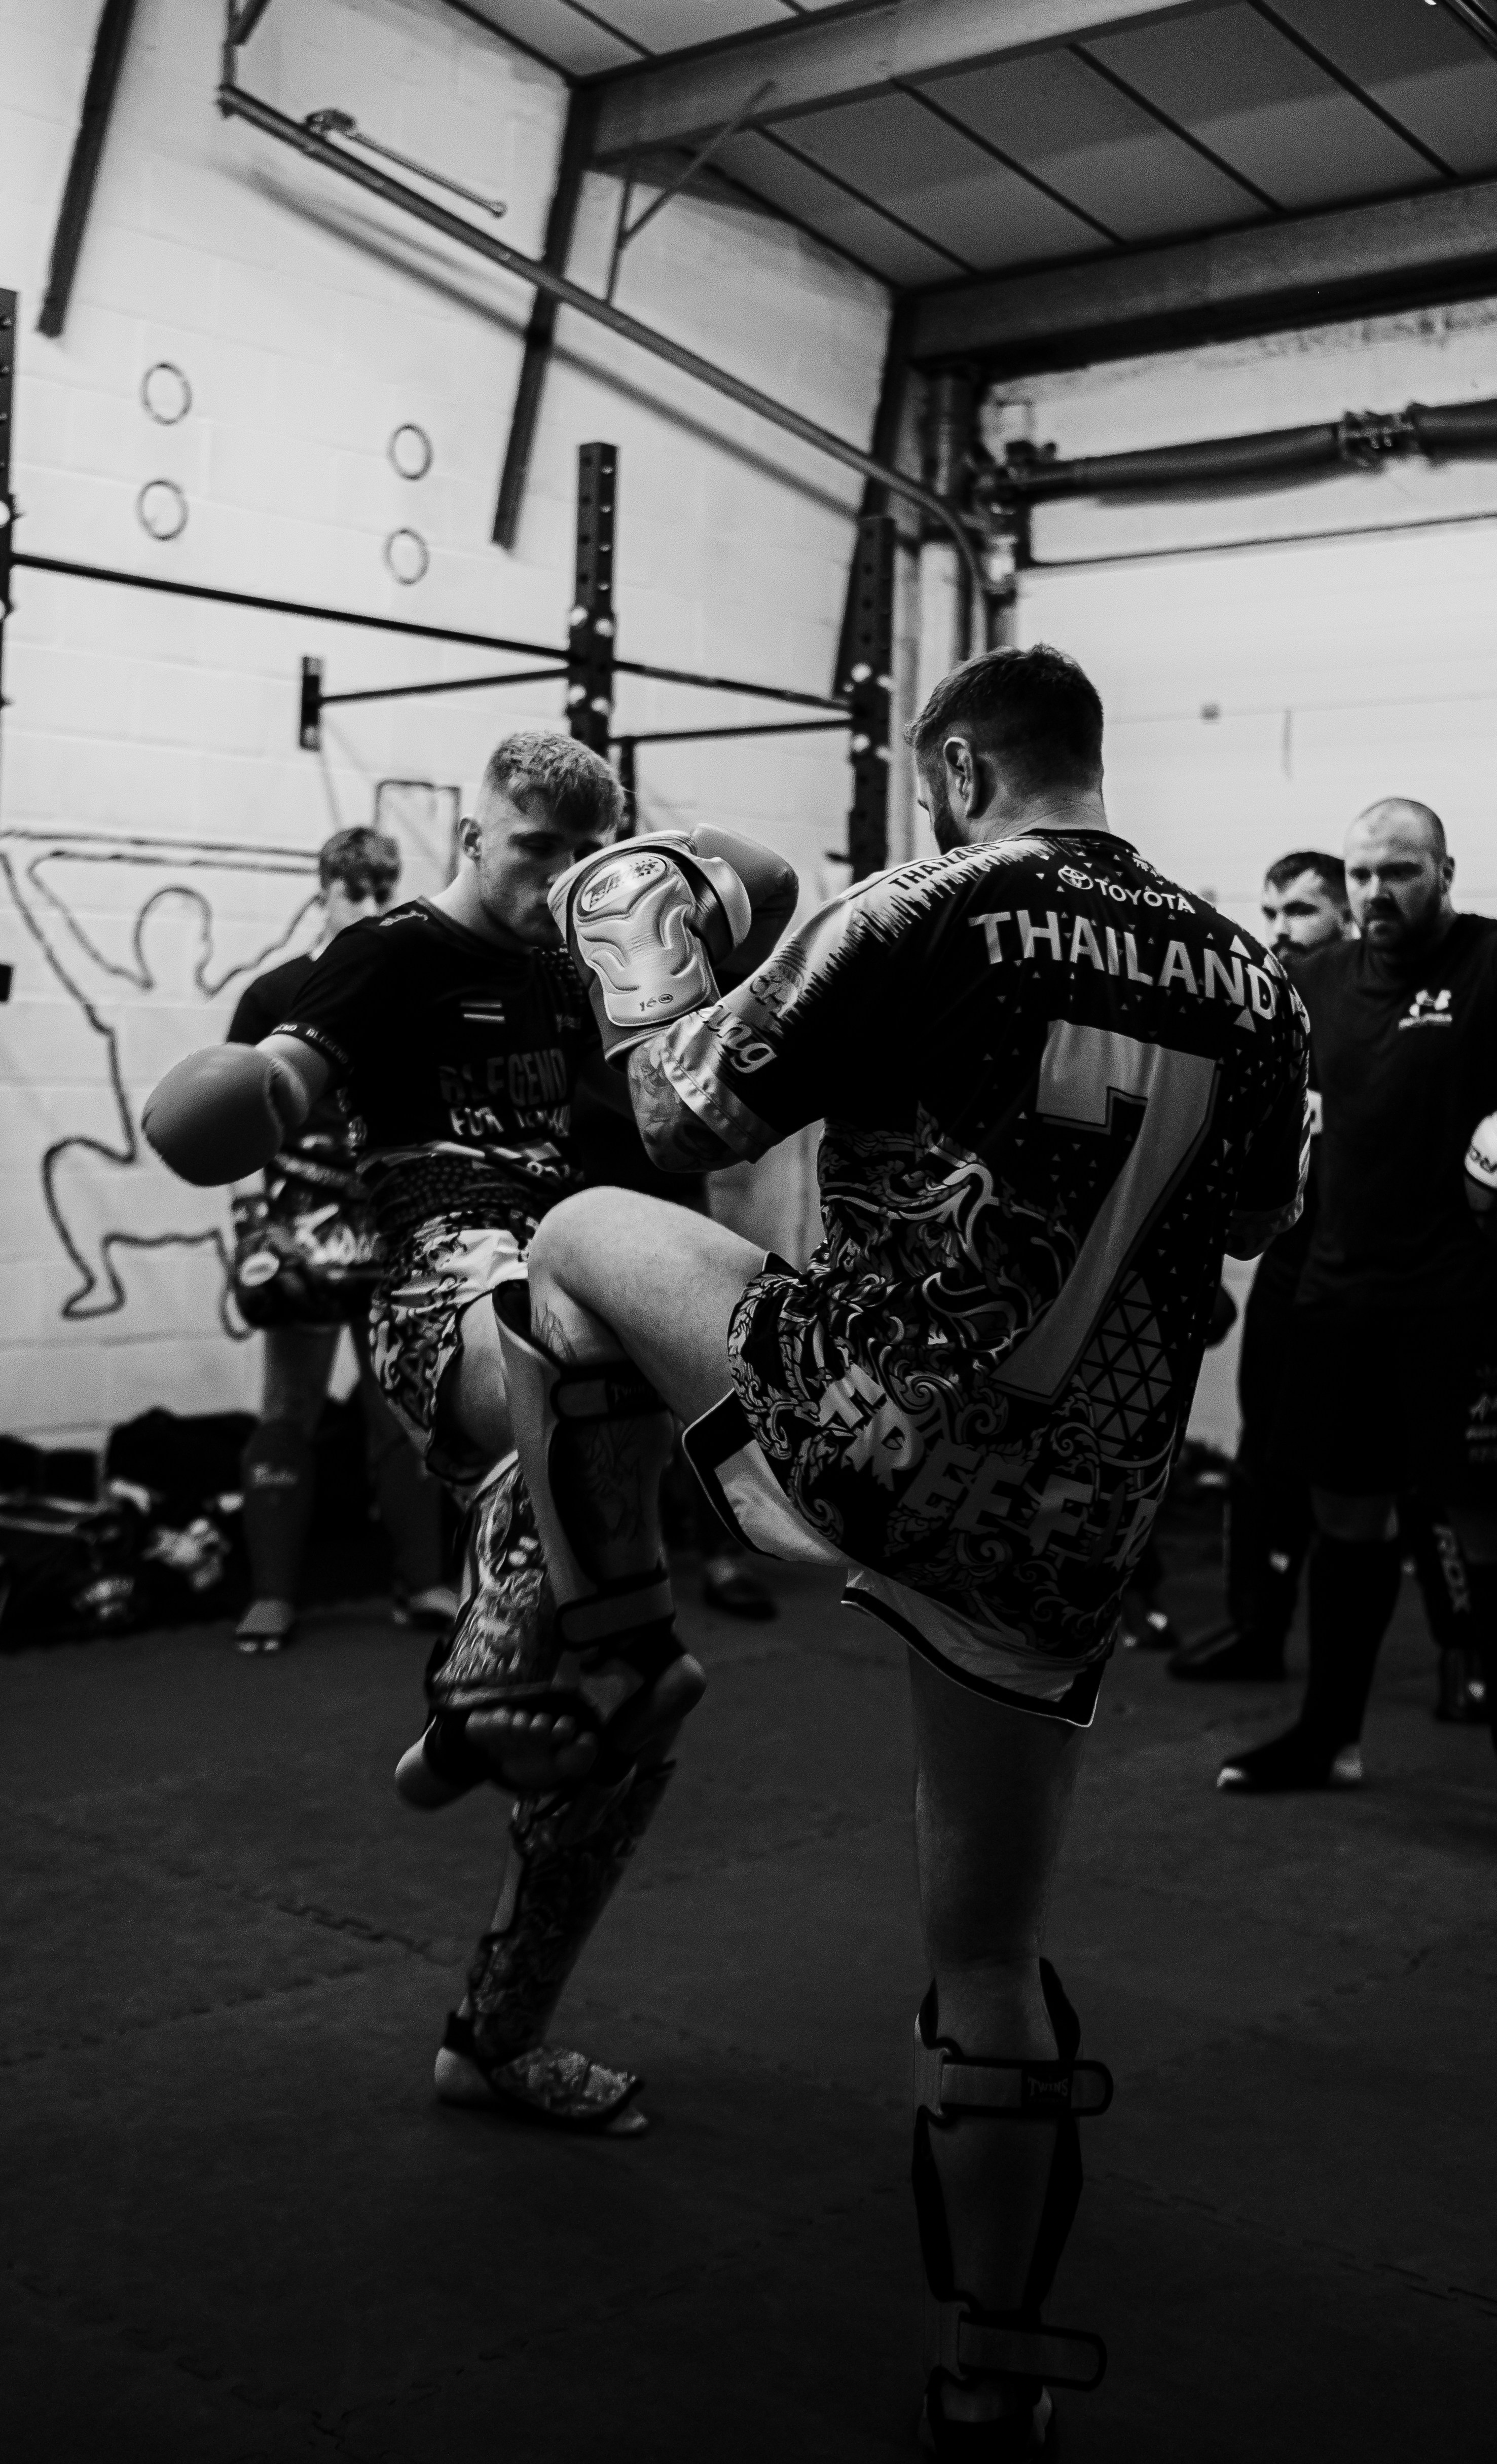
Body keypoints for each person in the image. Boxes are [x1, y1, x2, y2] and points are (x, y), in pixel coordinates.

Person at [470, 646, 1308, 2450]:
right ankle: (995, 2362)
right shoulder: (1251, 972)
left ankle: (561, 1630)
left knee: (577, 1229)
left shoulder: (924, 903)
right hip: (1077, 1519)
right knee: (989, 1946)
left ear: (951, 764)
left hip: (855, 1429)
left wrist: (638, 920)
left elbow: (679, 1117)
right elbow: (1249, 1218)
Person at [143, 733, 796, 2133]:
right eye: (531, 851)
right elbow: (286, 1072)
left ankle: (494, 2037)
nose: (555, 879)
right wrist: (254, 1096)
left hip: (583, 1354)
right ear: (470, 832)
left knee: (641, 1709)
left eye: (580, 853)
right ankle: (483, 1667)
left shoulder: (593, 961)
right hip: (450, 1302)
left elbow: (767, 885)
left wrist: (652, 882)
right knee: (571, 1264)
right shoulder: (389, 956)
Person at [1217, 797, 1497, 1863]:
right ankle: (1330, 1736)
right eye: (1363, 873)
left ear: (1445, 870)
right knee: (1347, 1523)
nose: (1377, 891)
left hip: (1461, 1310)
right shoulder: (1315, 983)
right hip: (1335, 1299)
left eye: (1401, 871)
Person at [224, 825, 451, 1655]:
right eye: (350, 892)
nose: (363, 905)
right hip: (301, 1221)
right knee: (289, 1402)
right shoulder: (275, 992)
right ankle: (273, 1593)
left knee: (405, 1406)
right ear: (322, 891)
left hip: (391, 1214)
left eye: (377, 892)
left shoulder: (414, 992)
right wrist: (253, 1226)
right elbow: (232, 1117)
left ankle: (422, 1581)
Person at [1171, 849, 1351, 1685]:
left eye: (1302, 913)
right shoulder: (1258, 1011)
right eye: (1271, 912)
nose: (1281, 931)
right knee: (1260, 1452)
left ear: (1344, 918)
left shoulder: (1376, 1011)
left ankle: (1465, 1657)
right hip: (1289, 1262)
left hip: (1374, 1269)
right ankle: (1256, 1630)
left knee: (1393, 1472)